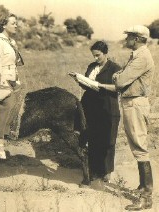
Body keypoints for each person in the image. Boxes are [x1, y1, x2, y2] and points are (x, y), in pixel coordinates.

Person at [113, 25, 154, 210]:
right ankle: (143, 190)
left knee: (140, 149)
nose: (126, 39)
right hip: (132, 103)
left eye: (129, 36)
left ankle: (146, 197)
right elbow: (121, 78)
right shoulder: (137, 55)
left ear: (136, 38)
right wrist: (119, 76)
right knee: (137, 147)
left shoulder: (142, 57)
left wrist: (118, 76)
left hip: (135, 103)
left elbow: (120, 80)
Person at [70, 41, 121, 183]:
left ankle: (106, 171)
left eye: (98, 55)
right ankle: (93, 171)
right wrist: (79, 79)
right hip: (90, 107)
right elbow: (87, 84)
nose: (95, 58)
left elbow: (118, 87)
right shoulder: (92, 67)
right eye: (93, 56)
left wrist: (99, 86)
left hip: (107, 107)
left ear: (106, 53)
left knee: (108, 140)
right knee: (92, 139)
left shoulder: (115, 68)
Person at [0, 13, 24, 159]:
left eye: (16, 23)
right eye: (13, 23)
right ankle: (0, 143)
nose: (16, 25)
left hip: (14, 78)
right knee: (5, 105)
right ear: (4, 25)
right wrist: (2, 85)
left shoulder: (11, 41)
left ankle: (14, 132)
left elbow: (17, 62)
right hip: (2, 78)